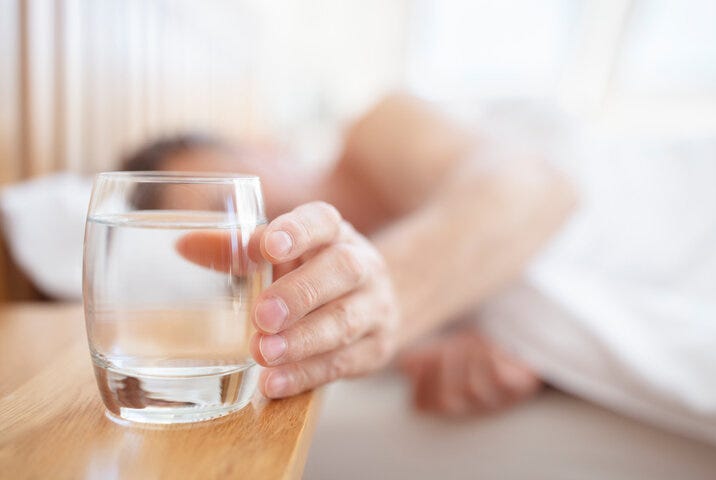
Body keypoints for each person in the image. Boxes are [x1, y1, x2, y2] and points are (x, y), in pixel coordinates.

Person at [120, 94, 575, 415]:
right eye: (218, 249)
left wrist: (391, 294)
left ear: (263, 147)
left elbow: (535, 185)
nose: (243, 237)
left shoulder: (377, 128)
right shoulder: (313, 311)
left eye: (225, 203)